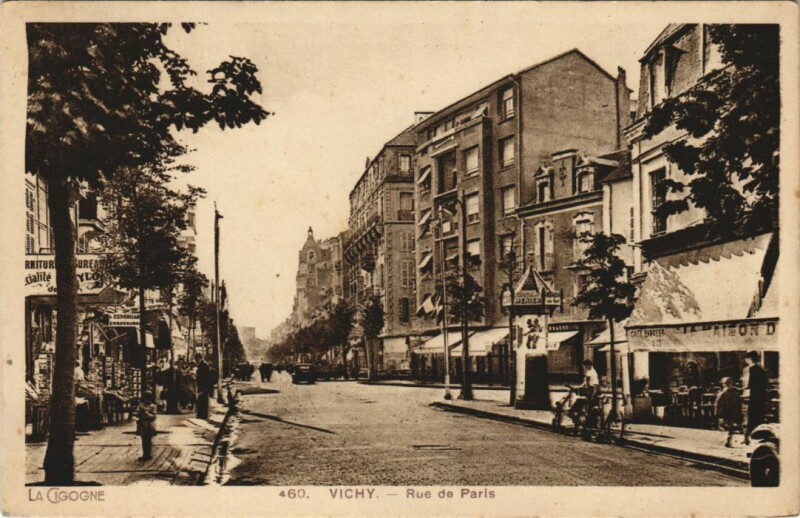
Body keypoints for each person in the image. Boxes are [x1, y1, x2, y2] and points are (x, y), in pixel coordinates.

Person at [743, 351, 767, 445]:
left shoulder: (751, 369)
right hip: (761, 396)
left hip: (753, 396)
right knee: (759, 415)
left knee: (751, 416)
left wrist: (743, 388)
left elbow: (750, 384)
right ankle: (759, 436)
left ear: (749, 359)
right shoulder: (761, 369)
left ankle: (749, 437)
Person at [715, 377, 742, 447]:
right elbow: (739, 403)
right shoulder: (737, 393)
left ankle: (729, 440)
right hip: (734, 411)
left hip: (727, 411)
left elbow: (720, 403)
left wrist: (718, 413)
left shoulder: (724, 393)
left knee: (729, 426)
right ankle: (729, 439)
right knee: (731, 426)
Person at [135, 392, 157, 461]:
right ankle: (145, 454)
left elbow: (153, 416)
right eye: (145, 399)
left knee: (148, 440)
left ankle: (148, 454)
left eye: (148, 399)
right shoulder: (141, 405)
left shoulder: (153, 406)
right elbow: (137, 414)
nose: (146, 400)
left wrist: (146, 413)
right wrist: (138, 413)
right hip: (142, 425)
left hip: (149, 425)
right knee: (144, 440)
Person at [195, 353, 212, 419]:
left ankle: (202, 415)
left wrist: (204, 387)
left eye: (196, 359)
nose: (196, 360)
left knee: (202, 401)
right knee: (202, 401)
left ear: (198, 358)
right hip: (203, 386)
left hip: (203, 386)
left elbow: (205, 377)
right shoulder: (203, 364)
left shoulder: (203, 365)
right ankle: (202, 415)